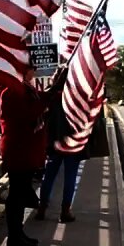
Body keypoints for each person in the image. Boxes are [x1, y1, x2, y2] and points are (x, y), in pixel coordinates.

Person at [0, 66, 66, 246]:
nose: (33, 71)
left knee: (20, 193)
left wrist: (54, 87)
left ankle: (18, 233)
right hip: (19, 150)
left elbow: (40, 102)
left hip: (25, 150)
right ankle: (15, 235)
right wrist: (53, 90)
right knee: (17, 194)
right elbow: (31, 112)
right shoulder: (12, 91)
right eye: (30, 68)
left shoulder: (25, 89)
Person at [37, 76, 88, 224]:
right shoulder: (77, 98)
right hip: (72, 142)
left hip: (54, 142)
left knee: (49, 175)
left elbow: (44, 115)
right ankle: (65, 211)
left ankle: (42, 207)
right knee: (70, 177)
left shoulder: (52, 97)